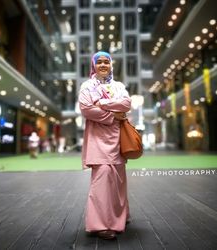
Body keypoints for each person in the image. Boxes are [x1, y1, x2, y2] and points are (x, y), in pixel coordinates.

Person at [78, 51, 131, 240]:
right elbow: (86, 109)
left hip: (117, 141)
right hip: (97, 141)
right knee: (102, 180)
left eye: (106, 62)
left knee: (118, 181)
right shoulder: (87, 86)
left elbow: (126, 103)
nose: (102, 65)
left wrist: (101, 102)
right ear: (93, 65)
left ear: (111, 65)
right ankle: (100, 225)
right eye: (99, 62)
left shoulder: (118, 86)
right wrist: (112, 115)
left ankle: (120, 216)